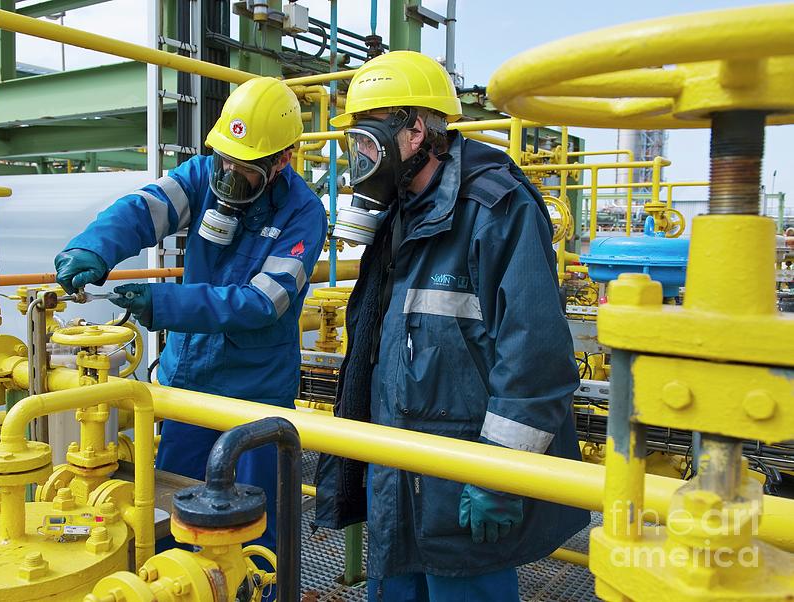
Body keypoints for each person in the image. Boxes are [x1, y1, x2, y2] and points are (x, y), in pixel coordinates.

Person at [316, 51, 589, 601]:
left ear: (416, 130)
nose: (360, 159)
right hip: (396, 472)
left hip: (463, 481)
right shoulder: (399, 214)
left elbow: (537, 354)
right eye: (355, 146)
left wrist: (499, 471)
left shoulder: (497, 209)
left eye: (368, 141)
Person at [54, 76, 328, 553]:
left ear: (280, 162)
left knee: (255, 526)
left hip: (255, 394)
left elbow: (263, 303)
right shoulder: (201, 175)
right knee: (175, 507)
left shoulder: (303, 214)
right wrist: (93, 248)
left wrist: (165, 304)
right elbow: (143, 210)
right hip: (191, 383)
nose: (226, 176)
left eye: (241, 169)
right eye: (223, 159)